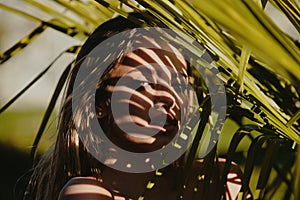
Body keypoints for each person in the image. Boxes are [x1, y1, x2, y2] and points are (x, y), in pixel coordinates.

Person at [22, 13, 252, 200]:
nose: (169, 97)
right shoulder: (86, 194)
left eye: (179, 83)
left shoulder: (221, 179)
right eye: (144, 83)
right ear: (98, 103)